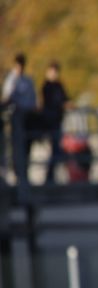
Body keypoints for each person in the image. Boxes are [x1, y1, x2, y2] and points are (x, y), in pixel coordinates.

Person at [1, 53, 37, 188]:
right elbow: (7, 98)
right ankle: (18, 178)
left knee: (26, 149)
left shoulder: (27, 80)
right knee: (17, 149)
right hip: (17, 119)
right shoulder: (11, 80)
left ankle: (24, 176)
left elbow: (32, 100)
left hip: (28, 119)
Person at [39, 61, 70, 184]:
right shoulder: (46, 86)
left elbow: (65, 99)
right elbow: (50, 103)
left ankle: (51, 177)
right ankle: (50, 177)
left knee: (56, 150)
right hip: (50, 122)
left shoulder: (58, 85)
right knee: (56, 150)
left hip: (57, 121)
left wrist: (67, 104)